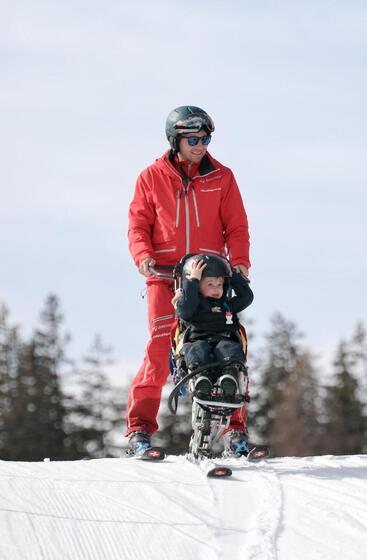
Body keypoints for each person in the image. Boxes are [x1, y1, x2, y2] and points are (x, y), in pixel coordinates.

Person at [125, 105, 251, 457]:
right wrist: (144, 256)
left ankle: (235, 431)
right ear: (175, 140)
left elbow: (237, 226)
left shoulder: (222, 177)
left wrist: (239, 263)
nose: (200, 145)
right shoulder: (151, 177)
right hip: (166, 278)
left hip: (211, 280)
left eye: (205, 138)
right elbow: (138, 225)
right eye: (193, 139)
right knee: (159, 348)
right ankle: (139, 430)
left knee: (230, 347)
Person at [173, 254, 253, 404]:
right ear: (197, 286)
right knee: (197, 349)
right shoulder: (193, 306)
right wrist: (192, 281)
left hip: (223, 340)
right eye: (210, 284)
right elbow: (185, 311)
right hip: (197, 340)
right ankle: (201, 378)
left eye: (220, 285)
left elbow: (246, 297)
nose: (216, 289)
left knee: (229, 348)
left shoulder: (227, 305)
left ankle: (229, 376)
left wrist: (233, 275)